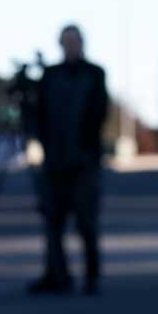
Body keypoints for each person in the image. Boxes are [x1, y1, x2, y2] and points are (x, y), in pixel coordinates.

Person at [29, 24, 108, 296]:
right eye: (66, 42)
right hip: (55, 163)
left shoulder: (95, 74)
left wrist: (85, 152)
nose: (70, 46)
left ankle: (92, 277)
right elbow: (38, 115)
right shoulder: (50, 76)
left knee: (87, 223)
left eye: (74, 41)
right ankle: (57, 275)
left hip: (84, 164)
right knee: (53, 223)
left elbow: (99, 115)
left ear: (82, 44)